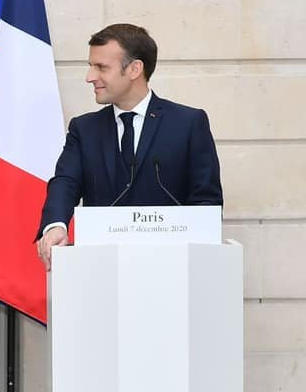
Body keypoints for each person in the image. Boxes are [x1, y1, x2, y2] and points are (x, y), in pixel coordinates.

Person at [36, 23, 222, 269]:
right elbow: (65, 182)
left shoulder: (188, 123)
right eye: (90, 66)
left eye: (101, 67)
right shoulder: (84, 129)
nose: (90, 77)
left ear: (135, 69)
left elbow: (206, 202)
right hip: (101, 271)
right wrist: (56, 225)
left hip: (172, 272)